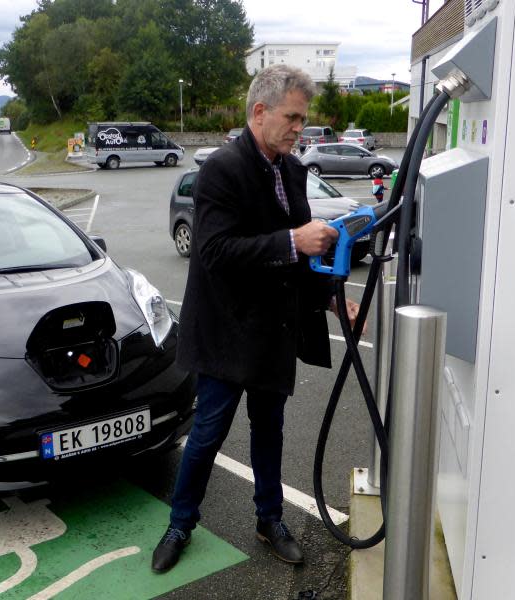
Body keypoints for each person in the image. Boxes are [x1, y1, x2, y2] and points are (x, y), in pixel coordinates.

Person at [151, 64, 362, 573]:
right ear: (260, 111)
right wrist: (294, 240)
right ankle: (181, 523)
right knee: (207, 434)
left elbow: (301, 261)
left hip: (271, 332)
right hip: (226, 332)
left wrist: (334, 299)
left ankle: (270, 520)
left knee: (271, 432)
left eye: (303, 119)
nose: (298, 128)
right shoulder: (222, 169)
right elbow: (215, 252)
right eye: (292, 117)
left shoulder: (291, 171)